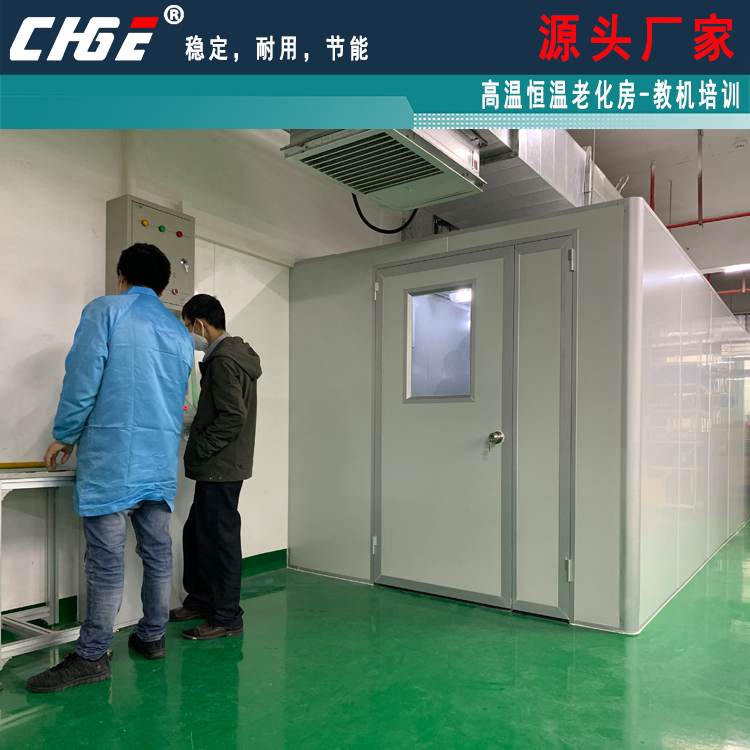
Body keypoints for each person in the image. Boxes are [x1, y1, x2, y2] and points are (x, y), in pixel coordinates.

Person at [26, 244, 194, 693]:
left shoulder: (106, 311)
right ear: (163, 286)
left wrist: (65, 434)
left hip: (113, 458)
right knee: (157, 551)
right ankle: (152, 636)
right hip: (159, 460)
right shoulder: (179, 333)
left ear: (121, 276)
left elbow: (83, 379)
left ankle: (92, 656)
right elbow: (181, 400)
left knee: (105, 560)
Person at [170, 294, 261, 640]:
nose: (188, 333)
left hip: (220, 465)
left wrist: (202, 445)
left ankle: (226, 616)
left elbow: (233, 416)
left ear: (199, 324)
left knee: (219, 541)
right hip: (223, 463)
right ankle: (201, 600)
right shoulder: (233, 354)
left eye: (187, 326)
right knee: (197, 533)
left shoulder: (223, 360)